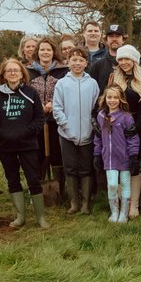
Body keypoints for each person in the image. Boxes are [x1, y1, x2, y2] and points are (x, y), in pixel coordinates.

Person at [0, 58, 47, 228]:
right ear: (3, 74)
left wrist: (24, 133)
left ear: (22, 73)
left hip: (28, 144)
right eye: (9, 70)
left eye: (16, 70)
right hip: (6, 145)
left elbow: (39, 118)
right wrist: (3, 133)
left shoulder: (31, 92)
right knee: (12, 179)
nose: (12, 73)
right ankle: (20, 216)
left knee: (33, 178)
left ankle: (41, 217)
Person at [53, 48, 100, 214]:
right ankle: (74, 202)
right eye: (74, 60)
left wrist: (91, 128)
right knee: (70, 168)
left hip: (87, 134)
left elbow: (96, 107)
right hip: (67, 135)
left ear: (86, 63)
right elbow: (57, 108)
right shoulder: (62, 84)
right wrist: (66, 126)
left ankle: (86, 203)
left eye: (81, 60)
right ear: (68, 62)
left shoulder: (92, 84)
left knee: (86, 169)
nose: (77, 63)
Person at [110, 44, 141, 218]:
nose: (124, 62)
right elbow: (109, 102)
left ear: (134, 60)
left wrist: (136, 128)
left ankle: (134, 204)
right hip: (117, 128)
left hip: (137, 128)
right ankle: (121, 202)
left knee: (135, 166)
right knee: (119, 165)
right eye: (120, 59)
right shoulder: (113, 79)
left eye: (127, 58)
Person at [28, 38, 68, 196]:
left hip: (55, 120)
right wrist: (38, 106)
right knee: (37, 154)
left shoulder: (63, 71)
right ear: (37, 52)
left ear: (53, 52)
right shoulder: (29, 70)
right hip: (35, 120)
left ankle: (59, 189)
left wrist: (53, 103)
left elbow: (67, 91)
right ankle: (38, 189)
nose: (45, 52)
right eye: (42, 49)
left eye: (48, 50)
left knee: (57, 153)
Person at [95, 85, 139, 224]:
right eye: (109, 97)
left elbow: (133, 138)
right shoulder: (101, 116)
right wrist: (97, 154)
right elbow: (98, 137)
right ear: (105, 98)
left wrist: (133, 156)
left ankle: (123, 213)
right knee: (112, 184)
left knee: (125, 183)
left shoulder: (126, 118)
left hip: (124, 157)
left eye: (115, 97)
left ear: (120, 100)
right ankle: (114, 211)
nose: (112, 100)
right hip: (108, 158)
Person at [87, 23, 125, 88]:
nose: (114, 39)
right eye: (111, 36)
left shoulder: (131, 63)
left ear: (123, 40)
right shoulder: (98, 65)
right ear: (106, 40)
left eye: (117, 36)